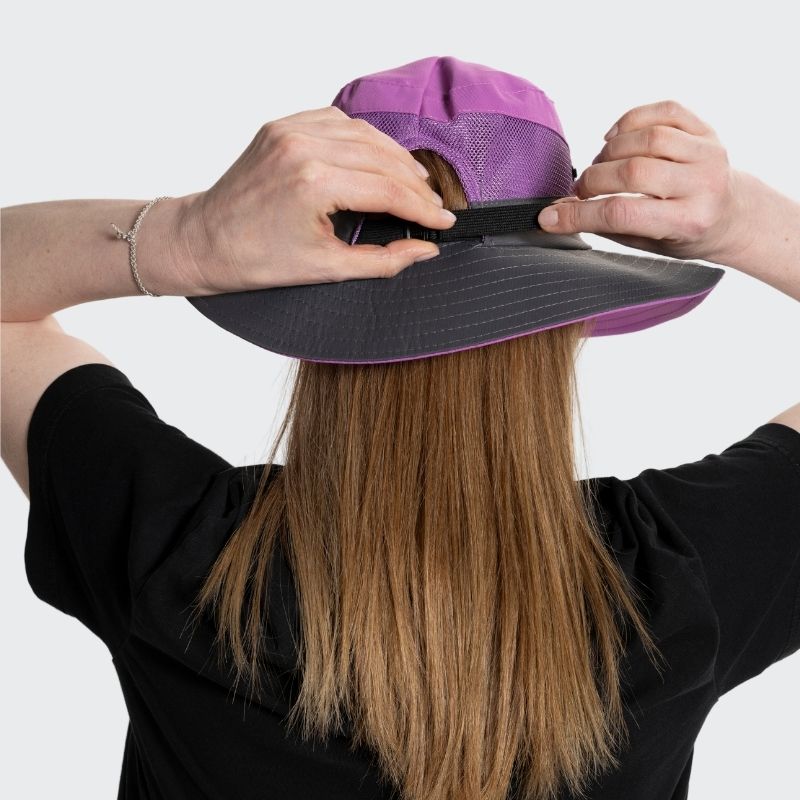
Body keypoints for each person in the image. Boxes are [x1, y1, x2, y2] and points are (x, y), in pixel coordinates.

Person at [2, 93, 799, 800]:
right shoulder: (675, 582)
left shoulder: (180, 557)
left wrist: (187, 235)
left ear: (311, 315)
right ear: (561, 319)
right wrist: (747, 223)